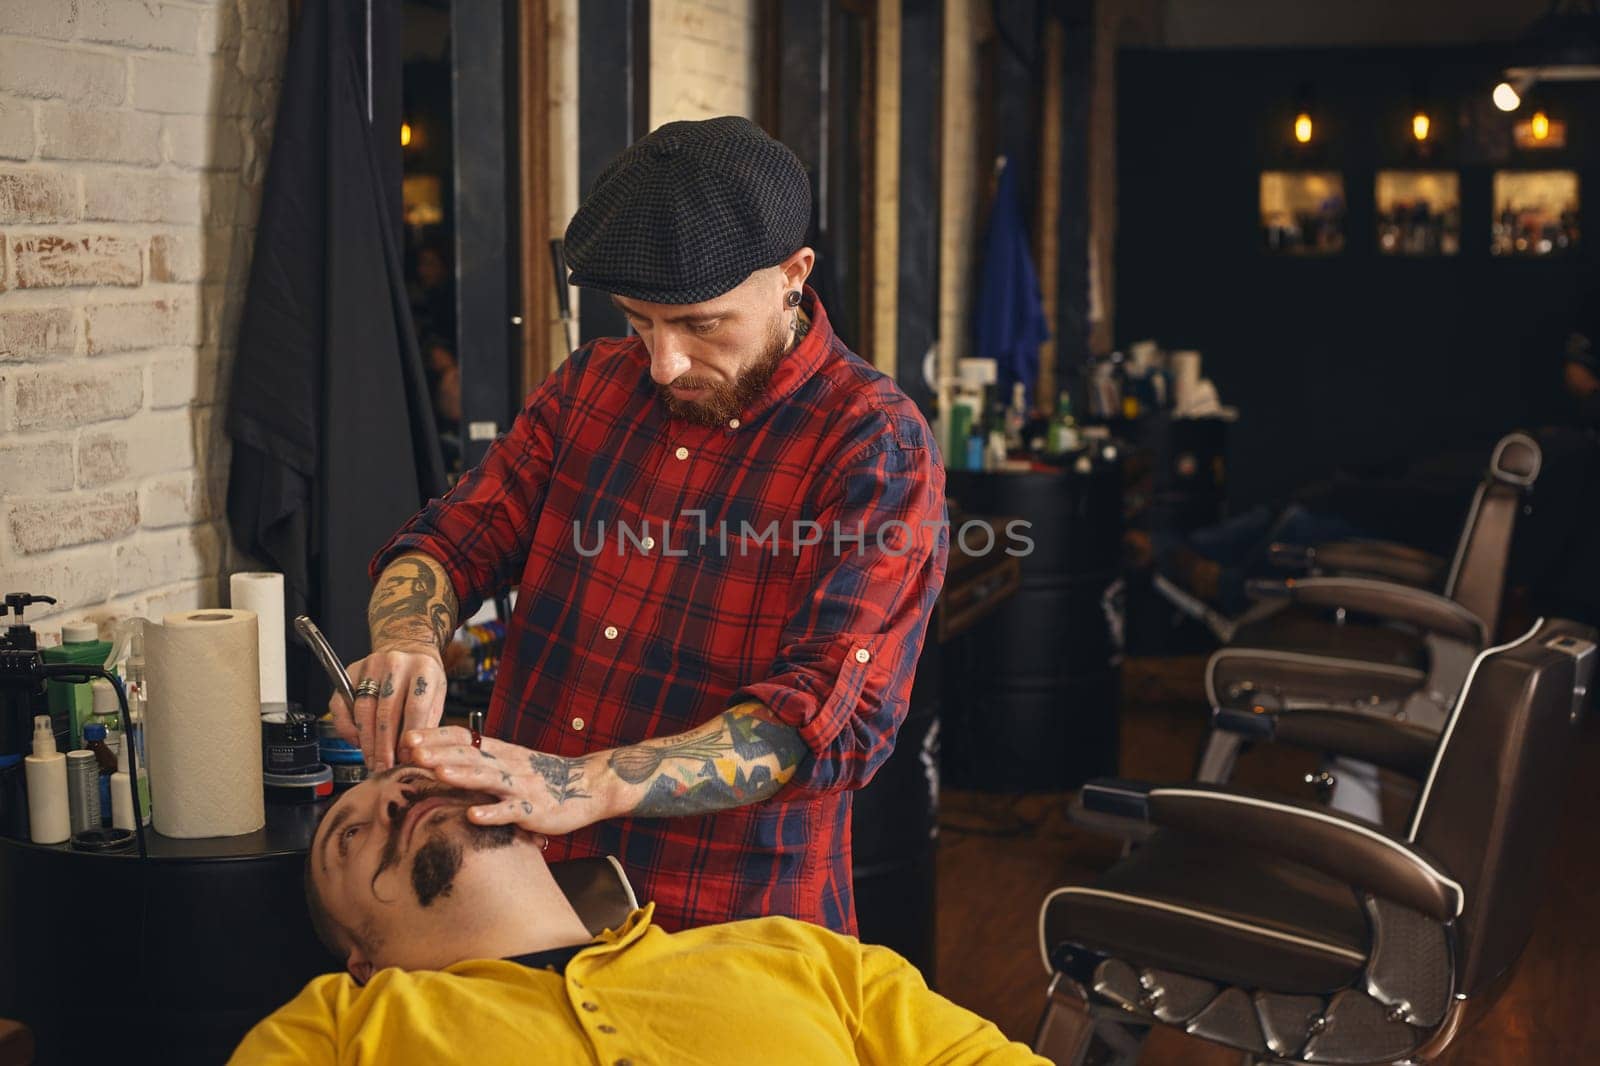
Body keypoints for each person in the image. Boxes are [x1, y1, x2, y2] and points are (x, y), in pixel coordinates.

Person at [331, 116, 949, 934]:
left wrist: (587, 784)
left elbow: (818, 718)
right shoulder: (591, 386)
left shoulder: (874, 442)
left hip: (728, 923)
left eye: (702, 324)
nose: (664, 363)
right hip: (528, 902)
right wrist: (407, 638)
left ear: (792, 274)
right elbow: (450, 541)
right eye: (639, 321)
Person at [227, 766, 1045, 1065]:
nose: (397, 795)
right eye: (351, 833)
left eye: (410, 781)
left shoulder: (796, 956)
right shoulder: (339, 1026)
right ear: (362, 965)